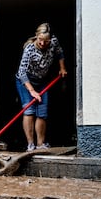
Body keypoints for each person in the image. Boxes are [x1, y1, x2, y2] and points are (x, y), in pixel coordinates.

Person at [15, 23, 67, 151]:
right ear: (36, 36)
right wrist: (32, 91)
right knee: (29, 110)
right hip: (26, 81)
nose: (43, 43)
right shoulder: (29, 49)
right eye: (40, 40)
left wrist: (62, 68)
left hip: (42, 81)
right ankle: (30, 144)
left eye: (46, 41)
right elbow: (22, 72)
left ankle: (40, 144)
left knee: (42, 113)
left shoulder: (54, 42)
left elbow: (60, 52)